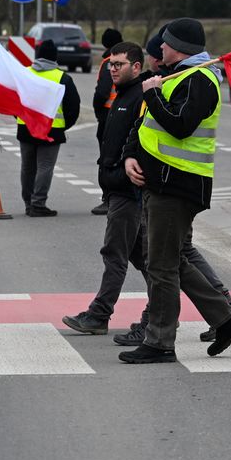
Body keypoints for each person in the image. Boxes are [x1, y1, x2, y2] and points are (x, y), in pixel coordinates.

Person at [120, 18, 231, 363]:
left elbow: (179, 126)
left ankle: (160, 342)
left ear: (179, 46)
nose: (159, 48)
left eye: (165, 42)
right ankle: (226, 316)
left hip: (177, 184)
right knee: (169, 259)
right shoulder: (175, 76)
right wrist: (131, 155)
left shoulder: (200, 79)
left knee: (161, 266)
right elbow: (147, 125)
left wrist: (152, 93)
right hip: (161, 181)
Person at [63, 41, 149, 336]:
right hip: (117, 188)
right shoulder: (123, 94)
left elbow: (140, 140)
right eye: (110, 64)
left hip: (128, 191)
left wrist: (125, 165)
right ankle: (165, 309)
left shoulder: (140, 96)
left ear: (136, 67)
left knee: (115, 253)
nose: (111, 69)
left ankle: (99, 315)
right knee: (145, 258)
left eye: (118, 65)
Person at [16, 39, 80, 216]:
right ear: (55, 57)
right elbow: (73, 107)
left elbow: (15, 101)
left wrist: (21, 118)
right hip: (51, 131)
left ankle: (28, 203)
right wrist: (64, 126)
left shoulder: (24, 74)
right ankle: (38, 204)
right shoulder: (63, 78)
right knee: (45, 167)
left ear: (37, 55)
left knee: (27, 167)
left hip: (26, 128)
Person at [90, 28, 123, 215]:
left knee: (106, 159)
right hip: (123, 114)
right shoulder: (128, 58)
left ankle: (108, 198)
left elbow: (102, 92)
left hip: (108, 116)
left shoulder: (108, 63)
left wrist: (98, 112)